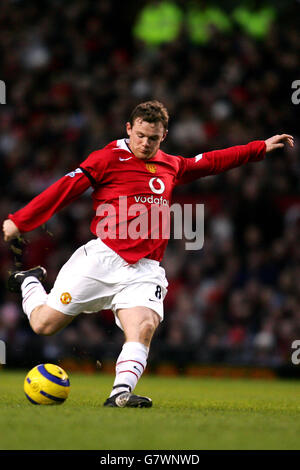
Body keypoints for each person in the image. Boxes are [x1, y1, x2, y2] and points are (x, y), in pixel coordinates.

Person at [2, 100, 294, 407]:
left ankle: (120, 393)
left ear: (163, 135)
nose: (145, 143)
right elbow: (66, 187)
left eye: (153, 138)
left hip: (144, 270)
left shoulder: (171, 164)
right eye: (140, 135)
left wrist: (260, 147)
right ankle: (30, 281)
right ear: (129, 128)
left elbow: (211, 161)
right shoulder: (107, 158)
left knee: (143, 327)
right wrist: (20, 221)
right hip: (102, 259)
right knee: (43, 325)